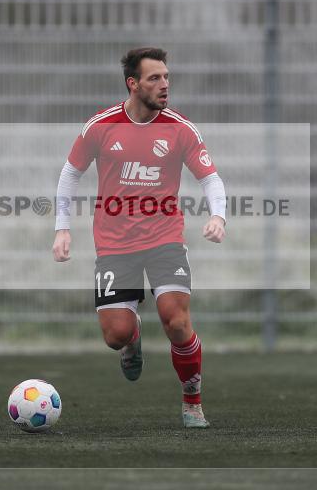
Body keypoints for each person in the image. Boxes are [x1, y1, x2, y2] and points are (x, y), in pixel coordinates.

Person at [52, 47, 226, 428]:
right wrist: (62, 228)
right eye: (154, 78)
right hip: (115, 246)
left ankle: (192, 402)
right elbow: (69, 175)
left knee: (176, 322)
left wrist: (218, 216)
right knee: (115, 335)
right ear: (133, 84)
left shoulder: (180, 129)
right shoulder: (101, 126)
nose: (164, 85)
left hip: (165, 239)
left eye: (166, 77)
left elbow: (210, 178)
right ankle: (133, 339)